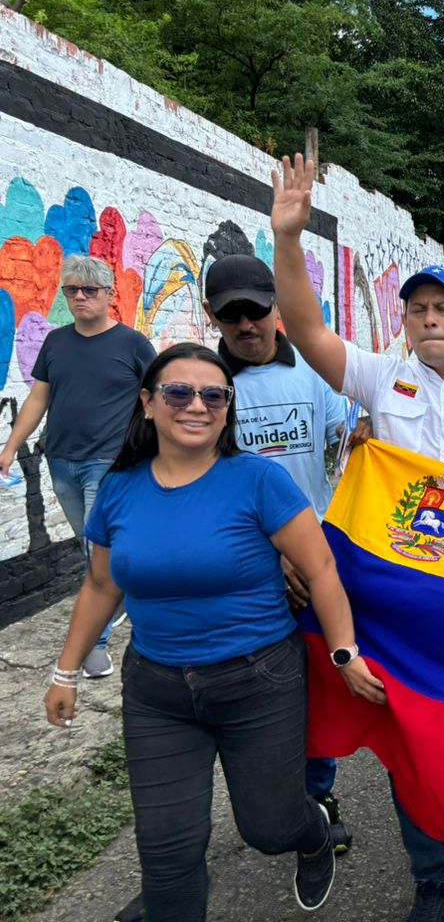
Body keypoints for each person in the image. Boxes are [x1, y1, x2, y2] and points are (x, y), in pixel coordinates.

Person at [271, 153, 444, 922]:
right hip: (400, 597)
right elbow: (302, 325)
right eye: (417, 310)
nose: (429, 320)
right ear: (404, 321)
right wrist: (288, 239)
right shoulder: (377, 377)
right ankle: (433, 872)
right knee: (413, 736)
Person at [42, 343, 385, 922]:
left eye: (213, 394)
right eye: (178, 392)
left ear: (228, 407)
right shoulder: (119, 489)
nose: (196, 405)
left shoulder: (259, 481)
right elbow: (101, 585)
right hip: (157, 690)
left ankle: (313, 833)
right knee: (167, 851)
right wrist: (65, 671)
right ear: (148, 404)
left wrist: (344, 652)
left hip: (259, 681)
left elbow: (322, 569)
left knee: (270, 828)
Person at [0, 254, 155, 678]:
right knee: (92, 546)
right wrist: (12, 445)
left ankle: (94, 643)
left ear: (109, 295)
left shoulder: (133, 344)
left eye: (90, 290)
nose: (80, 297)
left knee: (93, 549)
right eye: (72, 290)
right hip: (61, 461)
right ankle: (120, 597)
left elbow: (157, 399)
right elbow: (38, 398)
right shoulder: (55, 343)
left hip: (109, 462)